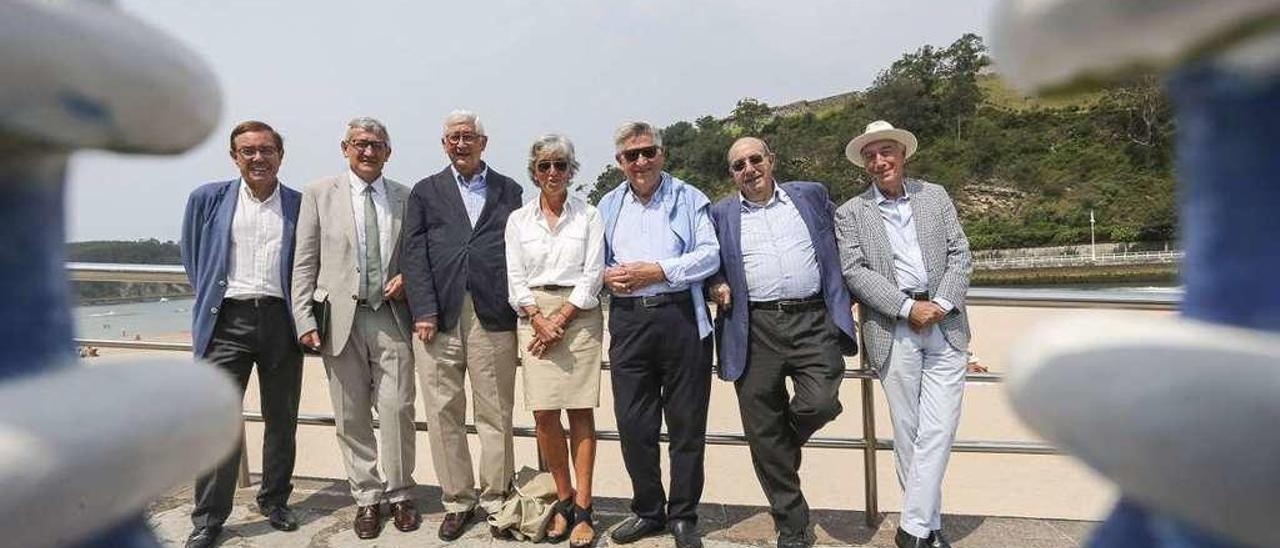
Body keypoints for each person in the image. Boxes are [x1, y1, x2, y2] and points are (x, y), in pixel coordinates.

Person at [708, 137, 857, 548]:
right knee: (761, 424)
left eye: (756, 159)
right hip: (753, 326)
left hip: (812, 319)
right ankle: (792, 525)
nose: (749, 169)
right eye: (739, 164)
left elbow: (844, 238)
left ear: (772, 161)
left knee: (820, 402)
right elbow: (707, 262)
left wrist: (854, 289)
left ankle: (780, 441)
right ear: (732, 174)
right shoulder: (720, 213)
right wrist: (715, 282)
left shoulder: (809, 195)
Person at [834, 120, 972, 548]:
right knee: (909, 431)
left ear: (903, 154)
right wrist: (909, 308)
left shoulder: (936, 195)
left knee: (940, 429)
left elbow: (960, 253)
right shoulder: (850, 212)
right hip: (892, 327)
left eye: (887, 152)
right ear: (864, 163)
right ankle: (928, 529)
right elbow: (855, 272)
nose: (880, 161)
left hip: (947, 324)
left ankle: (911, 529)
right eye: (871, 155)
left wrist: (941, 305)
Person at [290, 117, 419, 540]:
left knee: (398, 408)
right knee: (350, 414)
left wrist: (410, 280)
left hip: (391, 316)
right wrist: (304, 317)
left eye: (377, 145)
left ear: (388, 152)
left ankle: (400, 494)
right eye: (360, 144)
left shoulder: (405, 196)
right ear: (345, 147)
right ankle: (366, 497)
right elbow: (304, 261)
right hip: (338, 319)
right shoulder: (318, 194)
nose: (368, 151)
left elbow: (418, 257)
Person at [179, 120, 303, 548]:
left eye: (266, 150)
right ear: (235, 157)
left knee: (281, 419)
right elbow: (195, 258)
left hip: (281, 322)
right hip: (226, 321)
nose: (257, 158)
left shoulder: (299, 205)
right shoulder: (208, 199)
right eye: (247, 151)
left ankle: (275, 501)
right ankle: (209, 518)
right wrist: (214, 303)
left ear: (280, 156)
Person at [400, 110, 523, 541]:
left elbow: (519, 250)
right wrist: (424, 311)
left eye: (468, 136)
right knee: (442, 414)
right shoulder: (425, 192)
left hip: (493, 315)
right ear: (444, 144)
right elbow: (413, 256)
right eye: (453, 137)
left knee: (496, 413)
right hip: (438, 318)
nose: (460, 143)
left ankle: (496, 500)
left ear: (483, 142)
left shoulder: (510, 190)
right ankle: (457, 501)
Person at [597, 121, 720, 548]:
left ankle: (683, 515)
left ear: (662, 154)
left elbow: (709, 255)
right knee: (633, 423)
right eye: (632, 155)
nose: (641, 161)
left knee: (687, 423)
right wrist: (607, 277)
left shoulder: (690, 197)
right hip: (629, 321)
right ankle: (648, 509)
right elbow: (593, 262)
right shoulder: (608, 205)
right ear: (620, 163)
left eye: (648, 152)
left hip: (680, 317)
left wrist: (660, 270)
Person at [503, 134, 605, 547]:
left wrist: (560, 319)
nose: (552, 173)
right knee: (545, 414)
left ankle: (584, 509)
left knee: (580, 412)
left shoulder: (590, 215)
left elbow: (594, 272)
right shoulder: (518, 220)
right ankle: (562, 503)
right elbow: (513, 278)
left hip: (578, 315)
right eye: (544, 166)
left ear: (571, 170)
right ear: (533, 171)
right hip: (534, 314)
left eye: (560, 165)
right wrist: (536, 318)